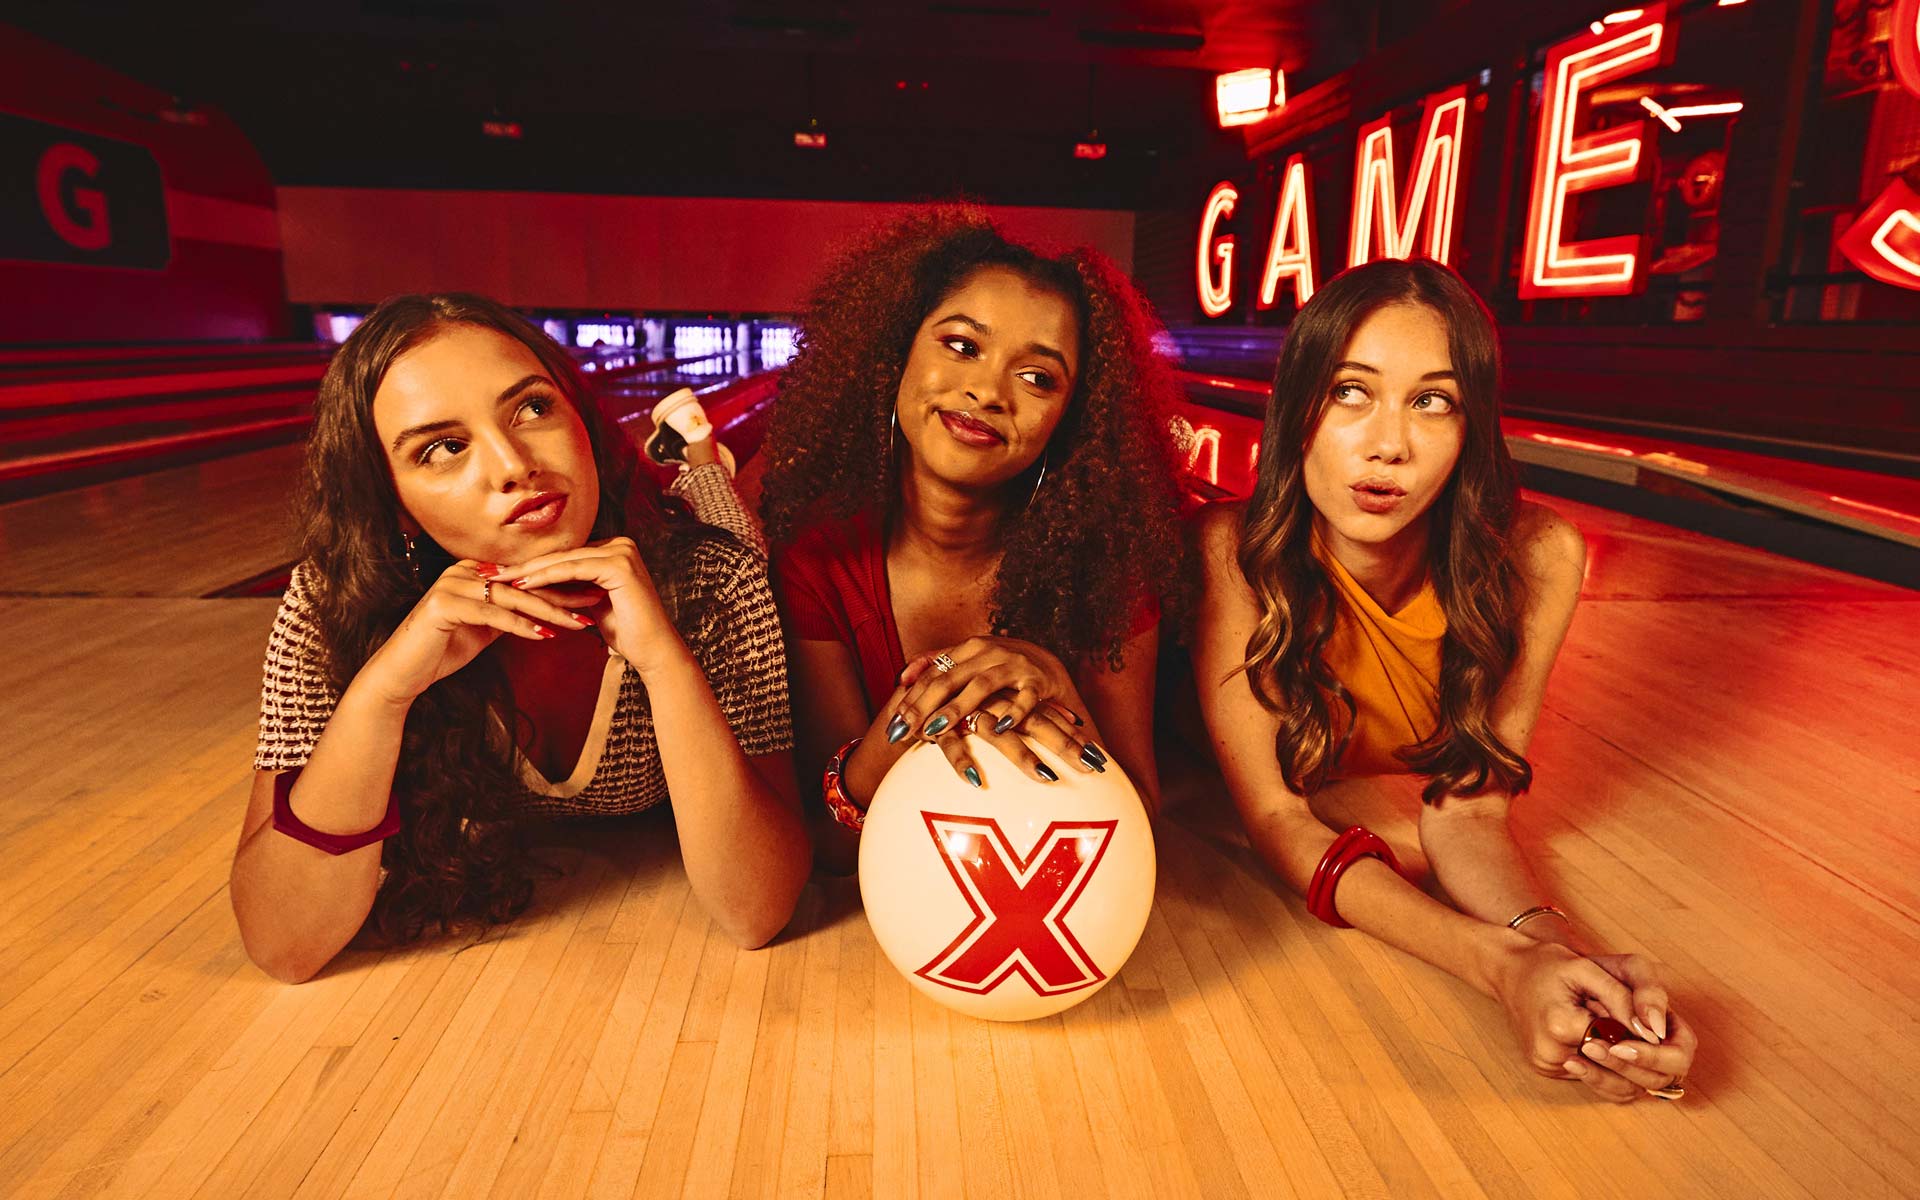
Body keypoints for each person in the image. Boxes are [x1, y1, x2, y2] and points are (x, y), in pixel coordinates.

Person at [1190, 258, 1697, 1103]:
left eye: (1433, 400)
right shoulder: (1229, 554)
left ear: (1471, 428)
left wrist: (1559, 956)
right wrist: (1498, 968)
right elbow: (1279, 819)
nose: (1389, 444)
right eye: (1352, 391)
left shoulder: (1538, 560)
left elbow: (1468, 806)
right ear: (1296, 411)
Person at [231, 293, 808, 983]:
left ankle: (700, 455)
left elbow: (758, 911)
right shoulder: (332, 601)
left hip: (675, 527)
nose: (512, 464)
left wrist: (665, 663)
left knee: (718, 501)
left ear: (585, 425)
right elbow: (284, 947)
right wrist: (384, 691)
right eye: (443, 448)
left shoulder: (712, 573)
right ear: (397, 508)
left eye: (532, 408)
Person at [758, 208, 1192, 871]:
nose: (987, 390)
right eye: (961, 345)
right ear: (895, 353)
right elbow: (826, 838)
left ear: (1070, 421)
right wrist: (912, 719)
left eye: (1038, 377)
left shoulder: (1108, 568)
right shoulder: (820, 562)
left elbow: (1140, 835)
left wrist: (1055, 683)